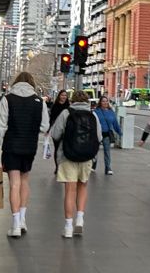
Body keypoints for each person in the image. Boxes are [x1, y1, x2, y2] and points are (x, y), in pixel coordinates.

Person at [0, 71, 49, 238]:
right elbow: (45, 127)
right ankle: (23, 219)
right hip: (29, 146)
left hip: (11, 146)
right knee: (25, 181)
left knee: (14, 184)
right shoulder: (39, 102)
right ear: (32, 83)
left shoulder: (7, 99)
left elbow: (0, 125)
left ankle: (15, 224)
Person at [50, 90, 101, 238]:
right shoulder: (93, 115)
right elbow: (98, 136)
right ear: (87, 101)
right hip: (86, 157)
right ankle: (80, 219)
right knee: (83, 186)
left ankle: (68, 227)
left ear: (72, 100)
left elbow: (55, 134)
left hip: (68, 156)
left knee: (69, 190)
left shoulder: (66, 113)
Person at [94, 96, 121, 175]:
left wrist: (119, 132)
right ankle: (93, 164)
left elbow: (115, 123)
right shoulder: (96, 111)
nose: (105, 103)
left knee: (107, 151)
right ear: (100, 102)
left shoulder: (111, 112)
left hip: (107, 134)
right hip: (97, 133)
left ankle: (108, 168)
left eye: (106, 101)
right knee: (95, 151)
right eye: (103, 101)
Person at [49, 89, 70, 175]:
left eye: (65, 95)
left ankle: (64, 167)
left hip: (66, 130)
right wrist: (49, 129)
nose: (64, 97)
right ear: (59, 96)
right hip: (57, 129)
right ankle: (57, 167)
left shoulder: (69, 106)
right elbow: (51, 118)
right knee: (57, 149)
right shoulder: (55, 106)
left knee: (65, 149)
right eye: (62, 95)